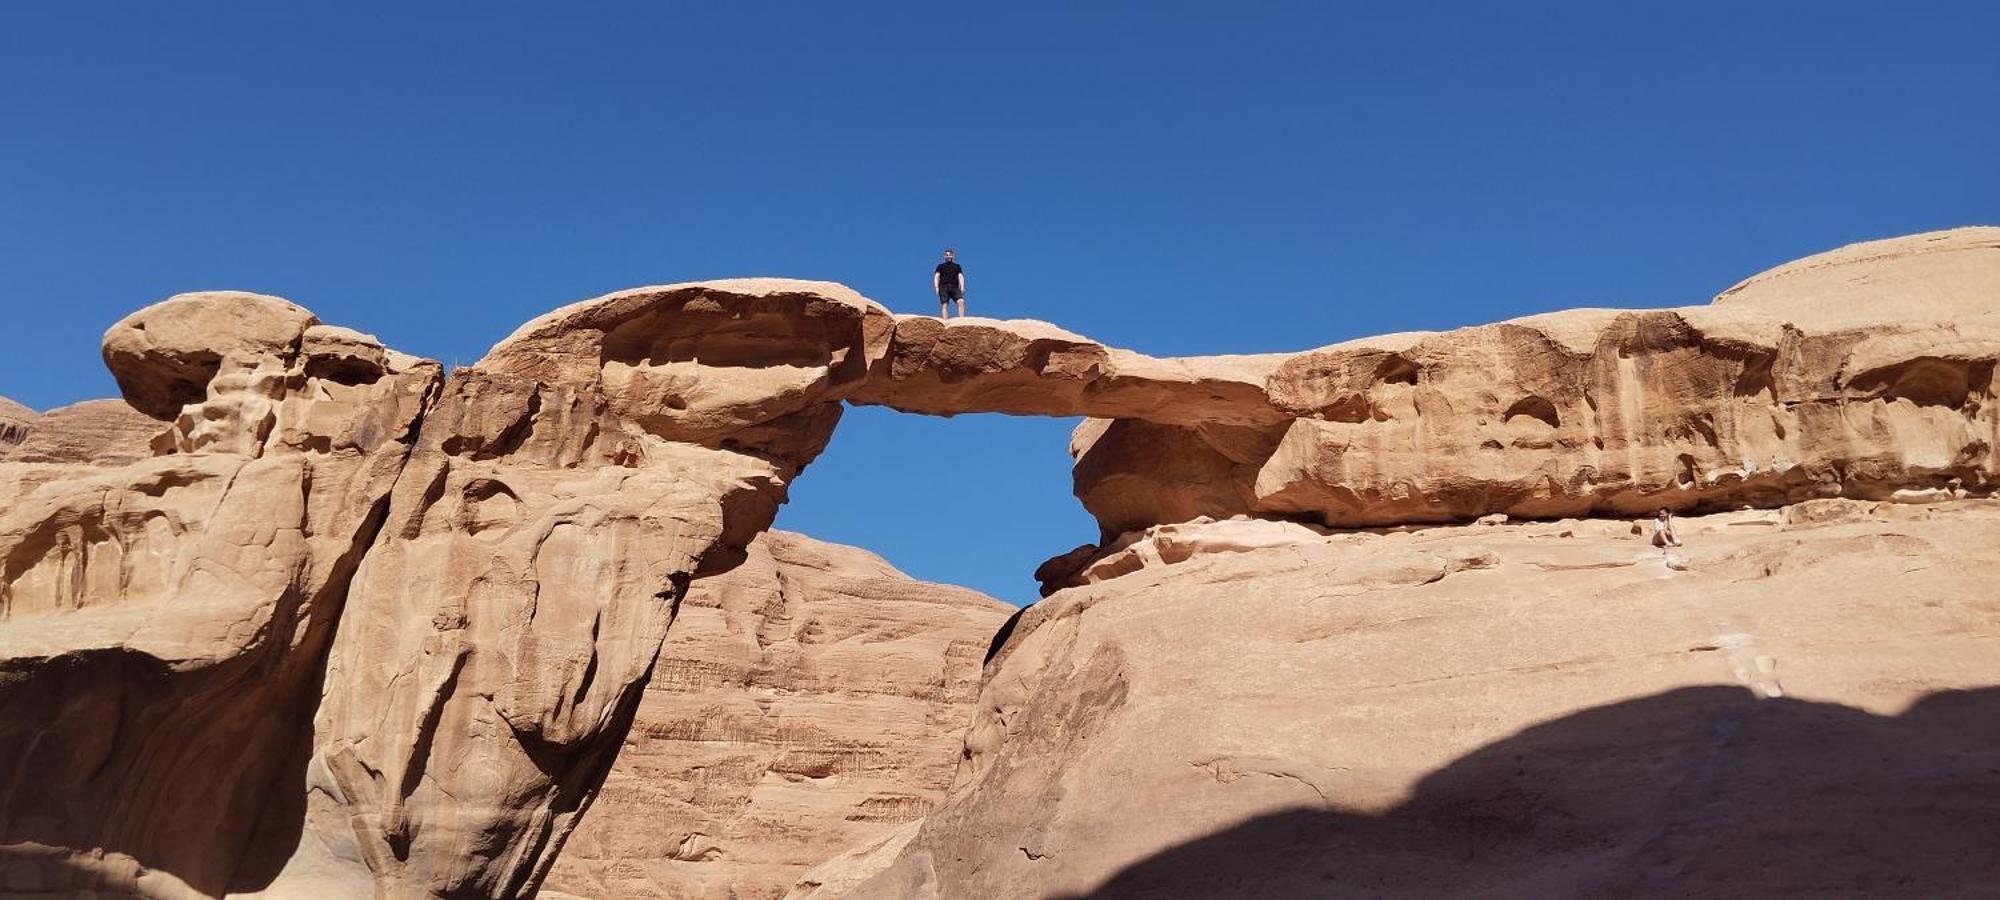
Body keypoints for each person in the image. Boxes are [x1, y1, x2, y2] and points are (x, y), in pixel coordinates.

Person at [933, 249, 966, 318]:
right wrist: (936, 287)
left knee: (961, 301)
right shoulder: (940, 266)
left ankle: (962, 319)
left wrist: (962, 287)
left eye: (950, 255)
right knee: (944, 304)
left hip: (955, 287)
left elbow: (960, 276)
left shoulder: (957, 266)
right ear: (944, 257)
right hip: (943, 286)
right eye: (947, 255)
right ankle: (945, 321)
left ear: (953, 256)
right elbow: (937, 276)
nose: (948, 256)